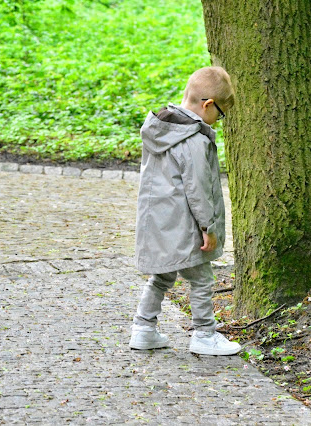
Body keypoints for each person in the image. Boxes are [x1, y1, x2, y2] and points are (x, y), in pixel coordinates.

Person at [129, 66, 241, 356]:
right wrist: (208, 228)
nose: (219, 121)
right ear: (207, 104)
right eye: (220, 114)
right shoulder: (194, 140)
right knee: (202, 280)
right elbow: (198, 189)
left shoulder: (161, 129)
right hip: (186, 225)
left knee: (162, 276)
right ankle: (204, 334)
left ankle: (143, 328)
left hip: (158, 223)